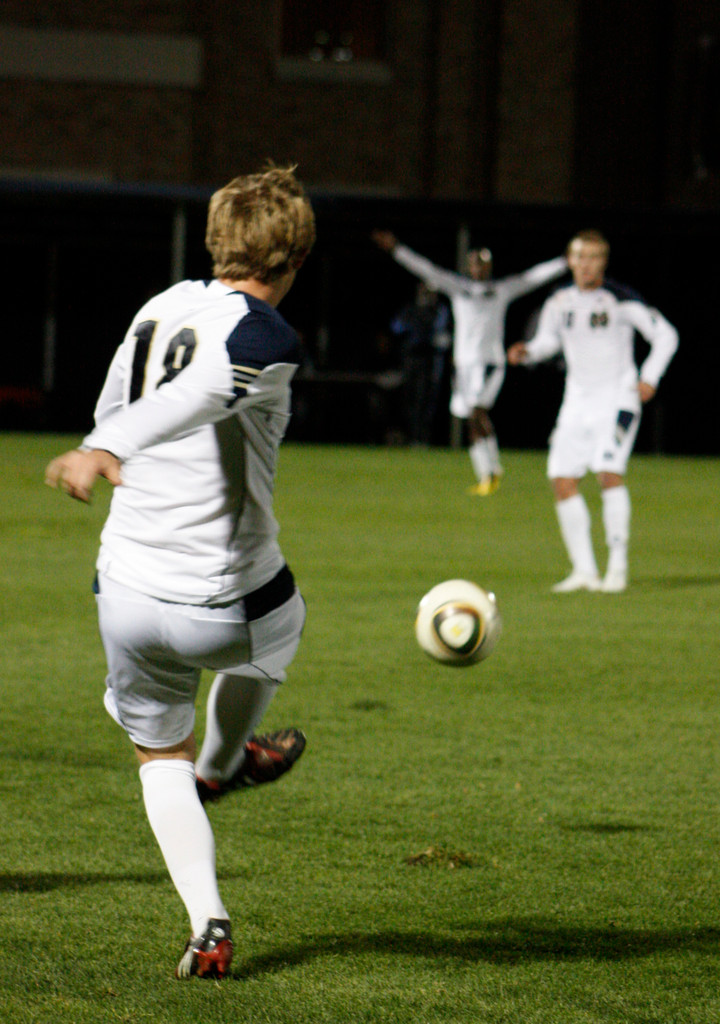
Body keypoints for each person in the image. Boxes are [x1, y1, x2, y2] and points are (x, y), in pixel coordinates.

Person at [45, 164, 316, 980]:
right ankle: (228, 764)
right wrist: (110, 446)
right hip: (224, 600)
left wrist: (107, 441)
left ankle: (209, 925)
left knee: (155, 757)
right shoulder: (268, 337)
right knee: (282, 623)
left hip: (124, 588)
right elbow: (200, 392)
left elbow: (115, 404)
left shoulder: (160, 306)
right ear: (293, 258)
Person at [507, 228, 679, 593]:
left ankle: (617, 567)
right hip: (577, 402)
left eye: (594, 258)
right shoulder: (560, 301)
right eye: (580, 257)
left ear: (604, 262)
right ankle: (584, 570)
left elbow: (666, 334)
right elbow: (549, 341)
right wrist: (530, 352)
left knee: (607, 473)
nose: (586, 265)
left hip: (618, 399)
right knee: (562, 480)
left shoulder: (619, 298)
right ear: (570, 260)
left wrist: (649, 376)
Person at [372, 230, 567, 494]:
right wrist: (397, 249)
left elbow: (532, 277)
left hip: (488, 363)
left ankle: (493, 471)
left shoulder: (500, 289)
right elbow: (425, 269)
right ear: (469, 266)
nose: (477, 268)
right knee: (470, 419)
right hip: (463, 366)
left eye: (482, 263)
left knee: (477, 412)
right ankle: (487, 475)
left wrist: (564, 262)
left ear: (489, 266)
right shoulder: (457, 287)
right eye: (474, 263)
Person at [388, 281, 451, 445]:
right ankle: (411, 435)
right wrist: (412, 322)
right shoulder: (411, 309)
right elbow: (396, 327)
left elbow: (433, 330)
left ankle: (422, 437)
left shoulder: (438, 310)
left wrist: (419, 324)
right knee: (409, 399)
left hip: (430, 361)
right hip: (411, 359)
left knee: (425, 399)